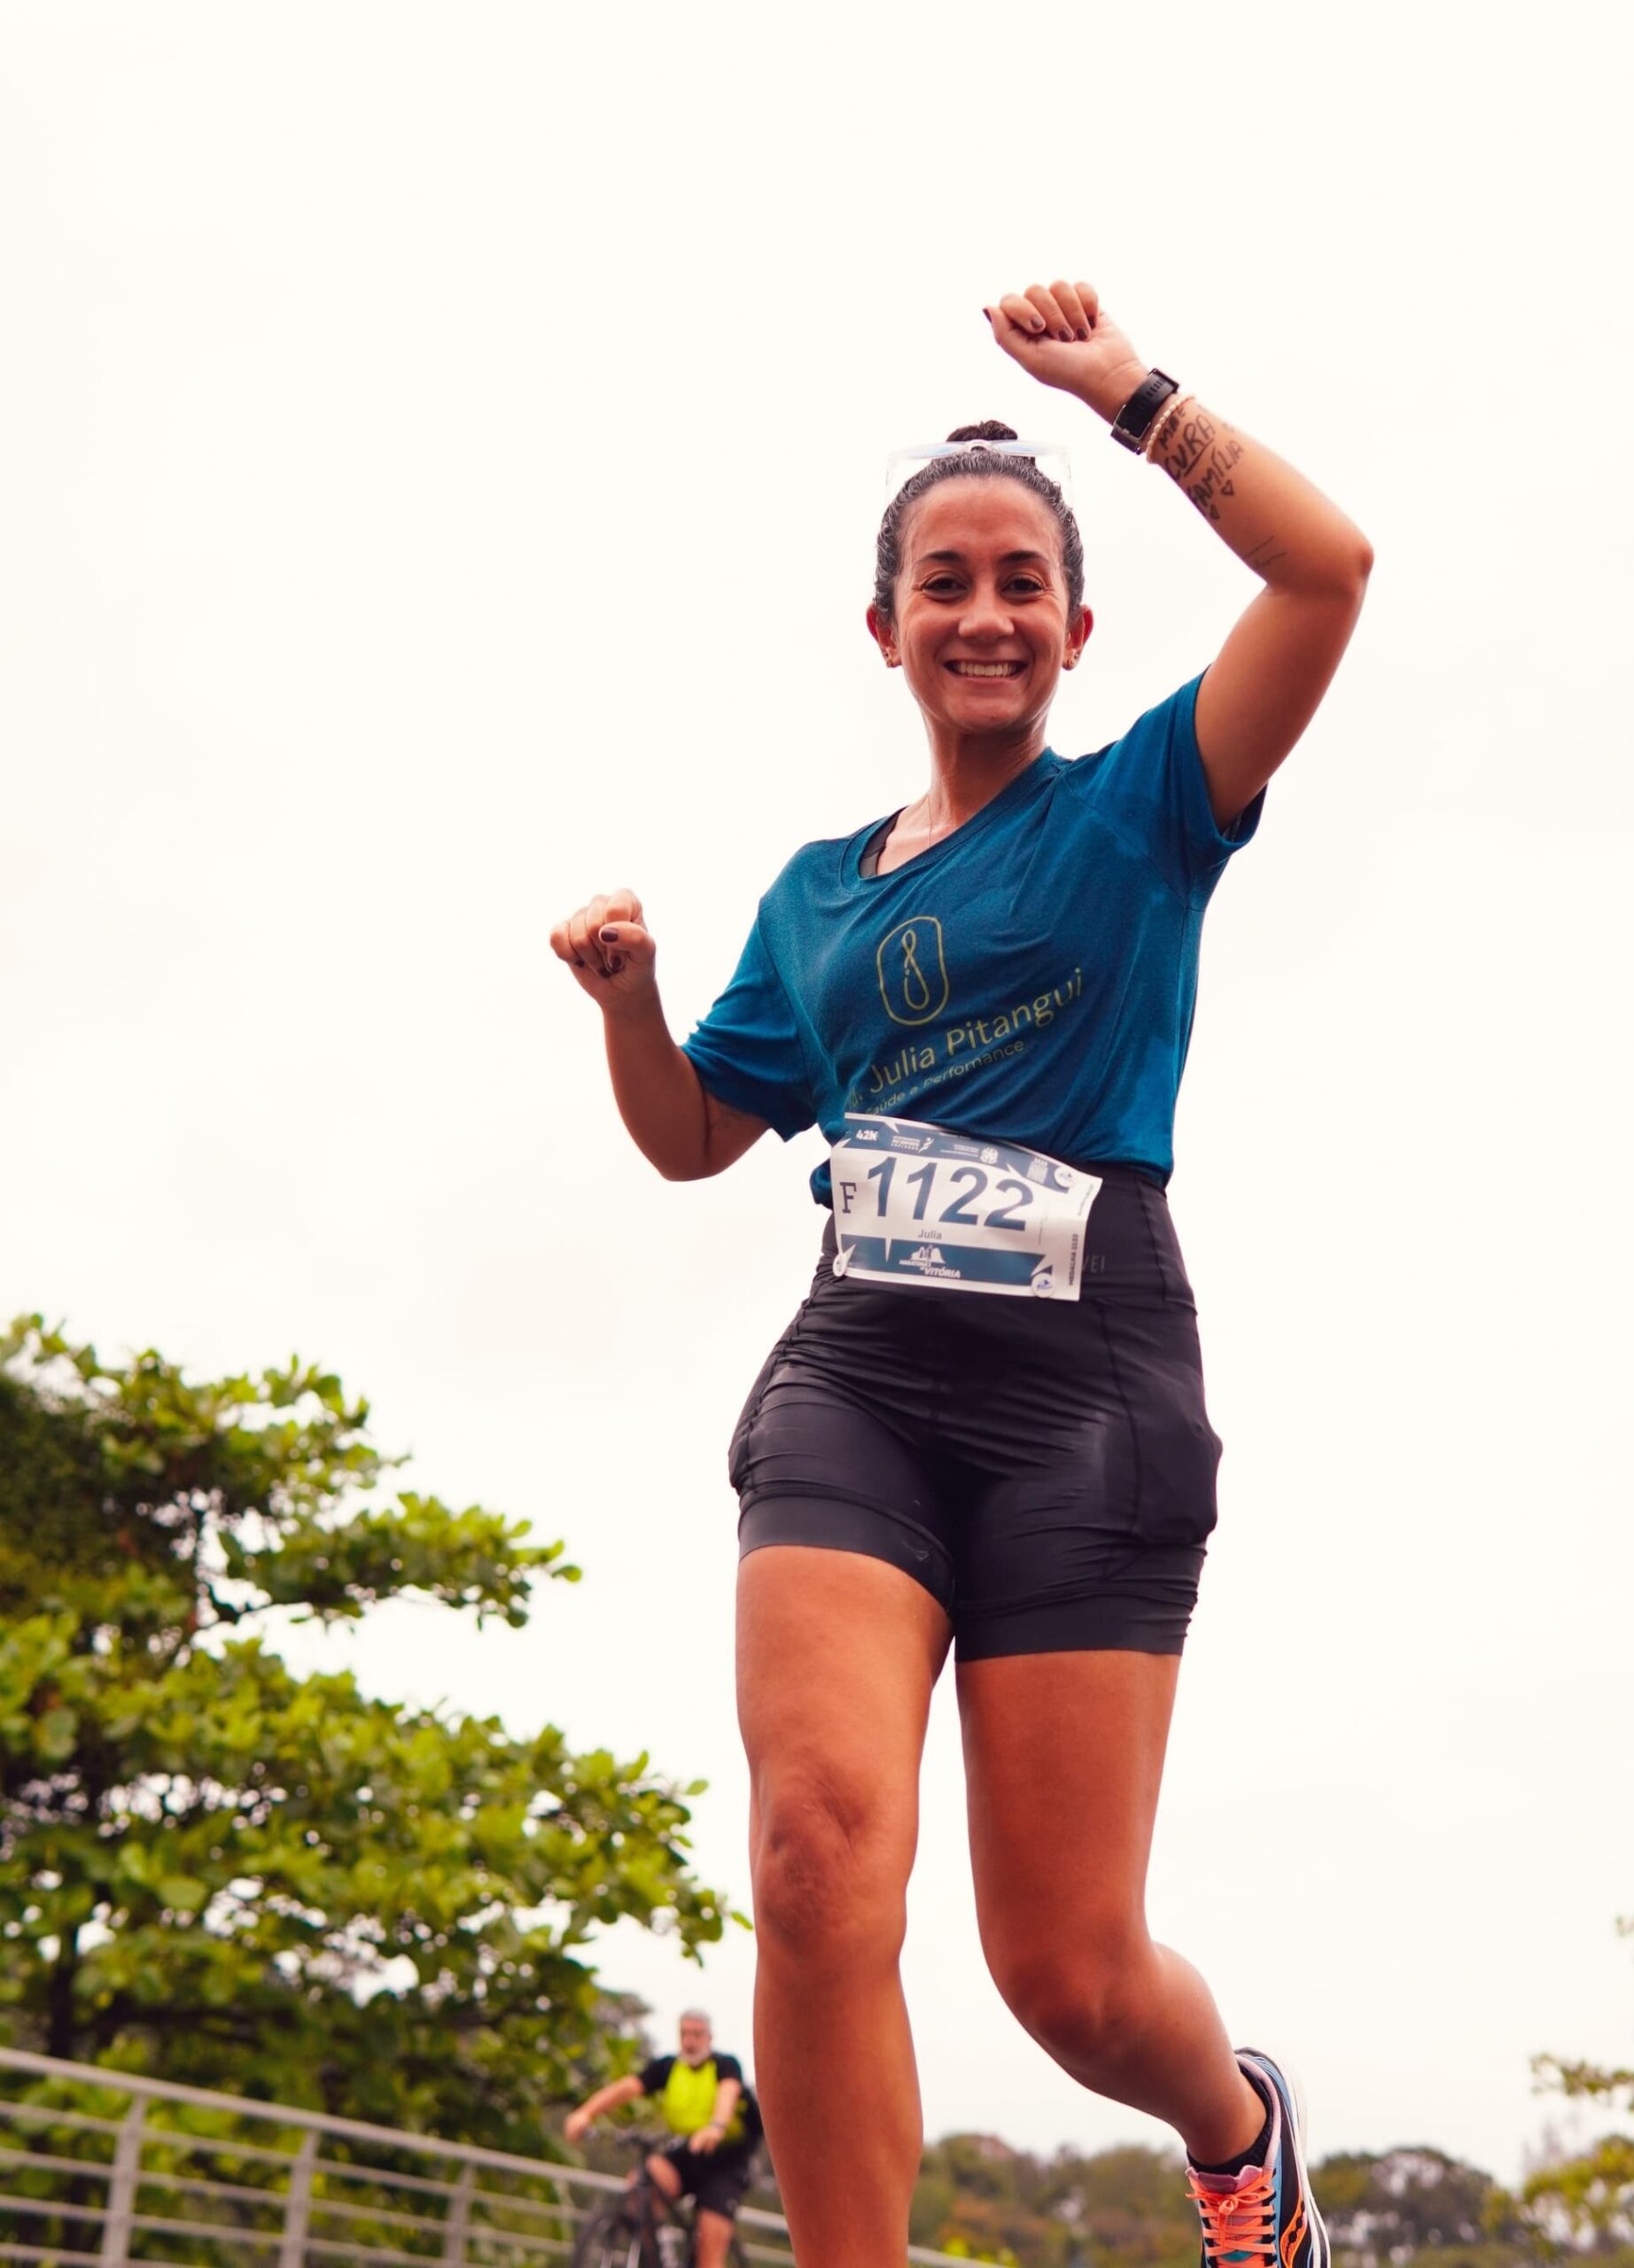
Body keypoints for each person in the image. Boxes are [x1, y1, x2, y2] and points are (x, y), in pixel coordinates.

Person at [549, 277, 1373, 2268]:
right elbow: (690, 1135)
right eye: (945, 580)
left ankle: (1241, 2126)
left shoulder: (1144, 808)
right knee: (815, 1855)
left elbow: (1328, 569)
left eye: (1023, 582)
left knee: (1071, 1976)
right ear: (887, 624)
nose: (985, 611)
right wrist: (633, 1000)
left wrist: (1129, 398)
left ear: (1079, 628)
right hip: (858, 1376)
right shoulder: (818, 897)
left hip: (1089, 1388)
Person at [563, 2008, 761, 2267]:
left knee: (709, 2245)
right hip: (686, 2151)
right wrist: (586, 2113)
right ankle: (654, 2254)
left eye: (697, 2035)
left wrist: (716, 2125)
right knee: (641, 2183)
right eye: (684, 2034)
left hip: (726, 2162)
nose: (690, 2041)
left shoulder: (725, 2066)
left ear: (709, 2038)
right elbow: (629, 2087)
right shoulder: (669, 2067)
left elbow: (728, 2094)